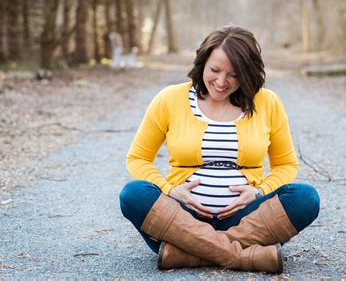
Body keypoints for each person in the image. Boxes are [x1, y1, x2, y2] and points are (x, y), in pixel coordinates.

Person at [119, 25, 320, 274]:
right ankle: (244, 256)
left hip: (247, 218)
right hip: (182, 217)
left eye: (234, 75)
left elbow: (286, 165)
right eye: (214, 70)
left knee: (305, 198)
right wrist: (171, 190)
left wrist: (259, 192)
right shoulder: (170, 99)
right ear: (202, 63)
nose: (221, 82)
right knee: (134, 194)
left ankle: (185, 253)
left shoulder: (268, 102)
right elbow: (138, 159)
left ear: (247, 73)